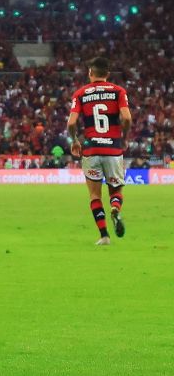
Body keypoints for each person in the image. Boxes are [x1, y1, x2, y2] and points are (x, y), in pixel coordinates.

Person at [66, 57, 132, 245]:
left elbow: (71, 122)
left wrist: (76, 140)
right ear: (107, 74)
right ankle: (115, 209)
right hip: (112, 148)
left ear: (90, 73)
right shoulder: (118, 91)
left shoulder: (80, 94)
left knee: (95, 195)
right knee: (116, 190)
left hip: (91, 149)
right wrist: (123, 137)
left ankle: (104, 236)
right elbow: (127, 118)